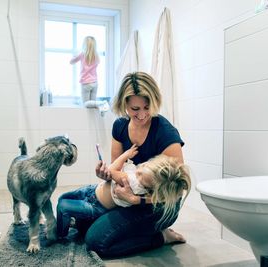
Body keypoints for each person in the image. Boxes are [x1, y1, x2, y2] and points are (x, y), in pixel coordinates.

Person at [80, 71, 186, 257]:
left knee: (96, 243)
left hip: (158, 205)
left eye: (147, 107)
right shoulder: (120, 126)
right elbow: (117, 169)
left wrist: (138, 200)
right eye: (135, 109)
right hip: (126, 199)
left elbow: (177, 190)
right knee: (81, 225)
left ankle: (161, 237)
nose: (143, 115)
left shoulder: (165, 133)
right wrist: (107, 174)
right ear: (124, 104)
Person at [56, 144, 191, 240]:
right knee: (63, 198)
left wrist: (125, 156)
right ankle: (70, 222)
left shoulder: (134, 183)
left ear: (148, 186)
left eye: (141, 177)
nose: (137, 172)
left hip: (95, 206)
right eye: (144, 166)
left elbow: (111, 170)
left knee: (63, 206)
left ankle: (60, 236)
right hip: (92, 190)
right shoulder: (141, 175)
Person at [70, 36, 109, 116]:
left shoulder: (82, 54)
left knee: (86, 104)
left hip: (86, 83)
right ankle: (101, 108)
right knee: (93, 105)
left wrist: (75, 55)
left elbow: (71, 62)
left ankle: (101, 103)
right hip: (95, 83)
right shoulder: (96, 56)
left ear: (85, 45)